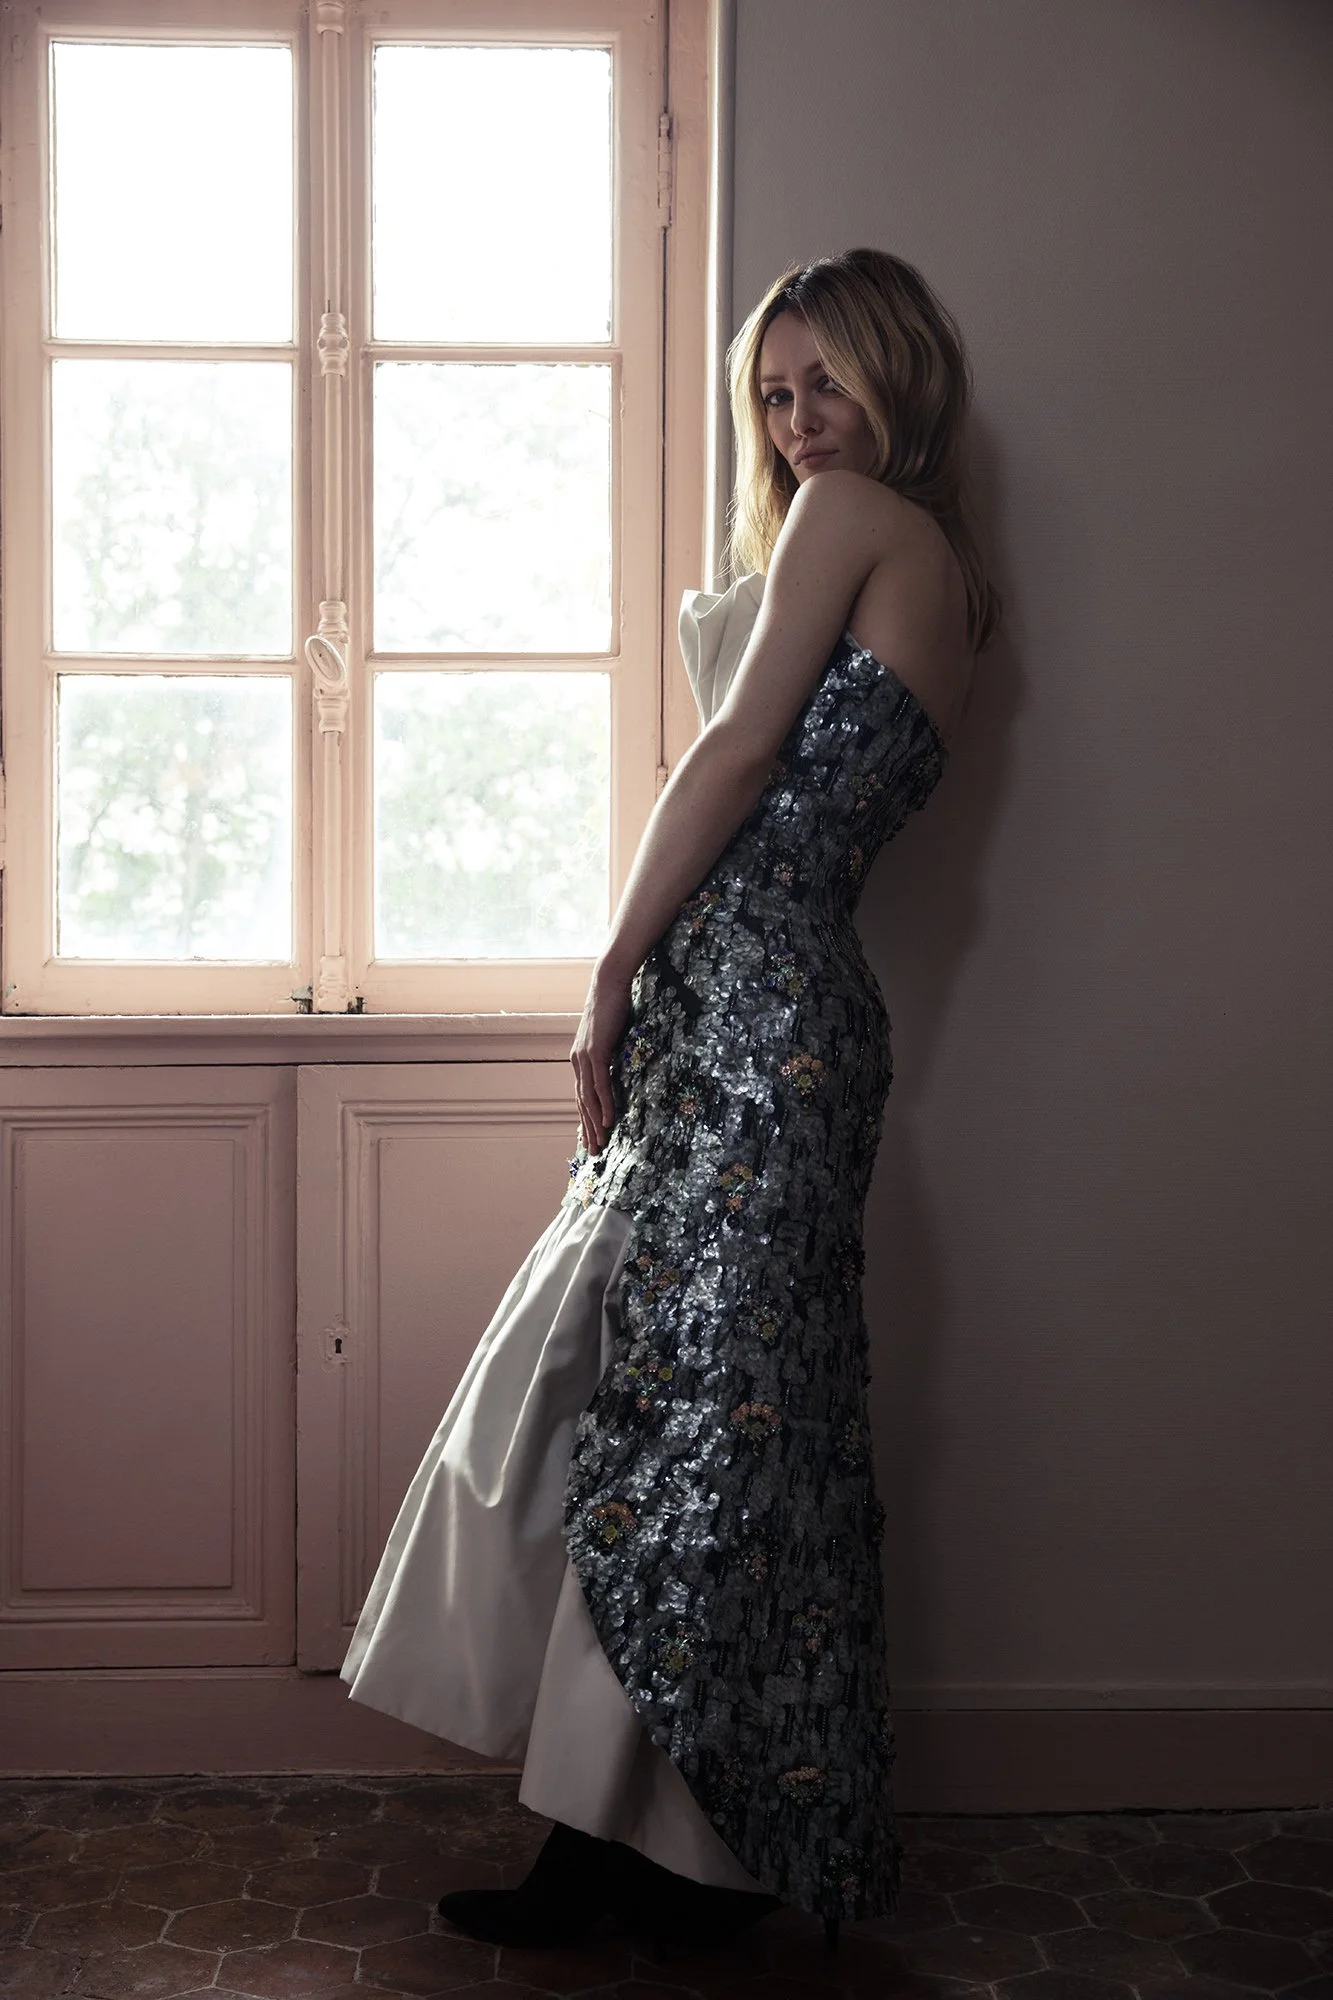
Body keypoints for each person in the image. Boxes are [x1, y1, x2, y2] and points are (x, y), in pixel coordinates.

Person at [341, 246, 1001, 1958]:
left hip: (753, 1011)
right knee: (708, 1431)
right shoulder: (949, 568)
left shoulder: (857, 521)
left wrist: (609, 966)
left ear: (900, 376)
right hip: (781, 1016)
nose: (798, 424)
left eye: (827, 383)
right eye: (773, 398)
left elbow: (729, 759)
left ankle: (658, 1862)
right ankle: (662, 1853)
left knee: (690, 1432)